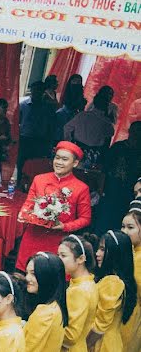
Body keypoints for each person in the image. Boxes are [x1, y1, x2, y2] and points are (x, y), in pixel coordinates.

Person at [15, 141, 92, 271]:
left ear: (75, 163)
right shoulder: (39, 179)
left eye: (65, 159)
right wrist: (24, 214)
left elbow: (85, 218)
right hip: (33, 236)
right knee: (25, 275)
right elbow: (29, 203)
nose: (59, 162)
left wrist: (65, 226)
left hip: (58, 242)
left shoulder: (81, 188)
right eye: (57, 158)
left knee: (51, 277)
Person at [54, 234, 99, 352]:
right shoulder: (86, 283)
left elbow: (71, 335)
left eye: (63, 256)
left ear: (80, 259)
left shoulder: (79, 290)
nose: (58, 260)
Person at [87, 231, 135, 352]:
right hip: (107, 344)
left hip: (100, 346)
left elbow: (100, 327)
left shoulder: (113, 282)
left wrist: (82, 347)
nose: (97, 254)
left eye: (103, 250)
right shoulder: (112, 279)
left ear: (115, 253)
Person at [98, 122, 141, 234]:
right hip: (112, 190)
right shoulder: (118, 147)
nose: (136, 135)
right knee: (106, 219)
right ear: (129, 132)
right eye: (134, 132)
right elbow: (104, 169)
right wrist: (101, 190)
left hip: (132, 193)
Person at [63, 89, 115, 169]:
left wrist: (69, 141)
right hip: (93, 153)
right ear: (107, 105)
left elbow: (67, 128)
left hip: (78, 148)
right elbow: (110, 134)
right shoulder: (106, 122)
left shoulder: (83, 115)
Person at [17, 81, 57, 179]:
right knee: (21, 162)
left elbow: (50, 123)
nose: (36, 93)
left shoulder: (47, 107)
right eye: (34, 90)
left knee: (37, 164)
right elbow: (18, 120)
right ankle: (20, 182)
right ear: (31, 90)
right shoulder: (23, 105)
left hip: (40, 139)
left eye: (39, 90)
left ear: (43, 92)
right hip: (25, 138)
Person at [119, 207, 141, 352]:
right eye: (123, 227)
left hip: (133, 315)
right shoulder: (129, 252)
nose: (125, 231)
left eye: (131, 227)